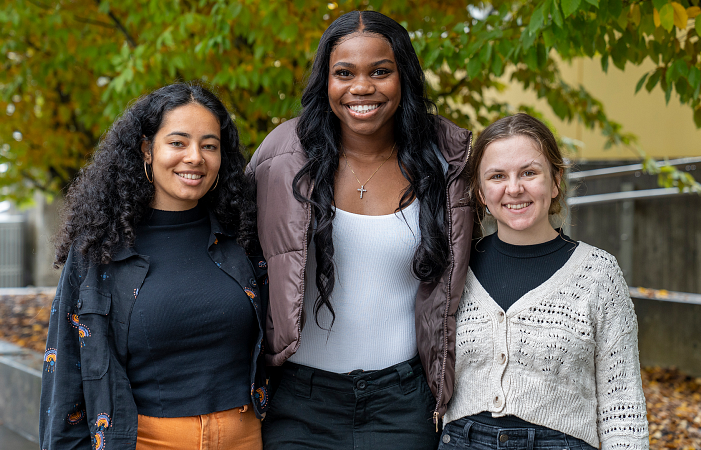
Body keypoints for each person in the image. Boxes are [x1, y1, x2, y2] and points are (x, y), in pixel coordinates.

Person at [246, 10, 474, 450]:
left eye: (381, 72)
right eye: (344, 73)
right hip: (299, 404)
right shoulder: (281, 157)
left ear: (403, 76)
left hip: (404, 403)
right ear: (325, 82)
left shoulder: (446, 163)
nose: (362, 87)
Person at [39, 82, 268, 450]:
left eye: (209, 145)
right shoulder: (100, 251)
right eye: (178, 142)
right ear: (147, 149)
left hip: (245, 438)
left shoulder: (242, 238)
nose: (195, 157)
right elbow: (65, 374)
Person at [440, 113, 649, 450]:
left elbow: (621, 404)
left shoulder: (598, 273)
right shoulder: (454, 269)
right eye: (497, 176)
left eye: (529, 172)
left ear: (554, 181)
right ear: (480, 191)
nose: (514, 188)